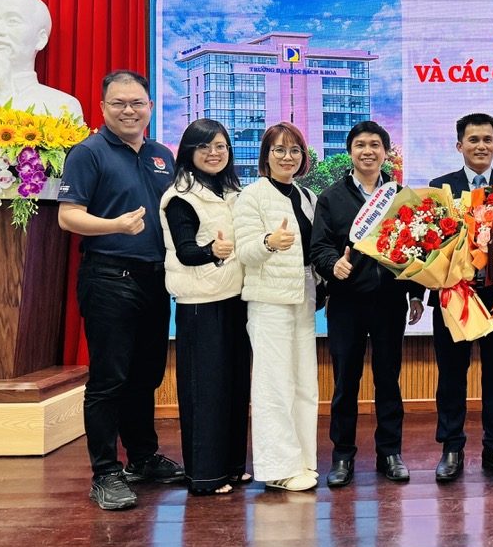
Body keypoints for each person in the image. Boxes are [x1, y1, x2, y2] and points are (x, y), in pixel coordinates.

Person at [58, 70, 183, 510]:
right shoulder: (88, 152)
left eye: (137, 103)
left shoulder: (161, 155)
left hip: (155, 280)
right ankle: (105, 472)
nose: (129, 111)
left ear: (150, 107)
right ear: (103, 107)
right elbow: (68, 216)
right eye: (119, 103)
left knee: (146, 376)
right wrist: (114, 225)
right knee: (109, 380)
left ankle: (142, 458)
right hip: (109, 278)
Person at [309, 120, 424, 488]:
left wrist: (416, 294)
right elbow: (319, 246)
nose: (368, 151)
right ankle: (342, 455)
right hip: (347, 303)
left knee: (388, 379)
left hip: (390, 302)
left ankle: (390, 453)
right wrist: (332, 264)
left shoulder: (401, 197)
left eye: (375, 144)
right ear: (350, 152)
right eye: (360, 144)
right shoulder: (331, 197)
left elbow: (418, 248)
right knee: (346, 381)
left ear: (385, 152)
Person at [427, 113, 493, 481]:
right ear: (460, 145)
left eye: (487, 140)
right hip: (455, 296)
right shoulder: (440, 188)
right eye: (473, 140)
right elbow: (429, 243)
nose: (481, 146)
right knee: (451, 376)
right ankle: (451, 449)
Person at [158, 119, 249, 496]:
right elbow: (185, 251)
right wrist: (213, 250)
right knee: (205, 392)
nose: (214, 153)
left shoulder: (232, 190)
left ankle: (232, 467)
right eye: (205, 147)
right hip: (200, 305)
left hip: (234, 300)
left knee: (235, 388)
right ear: (189, 152)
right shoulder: (180, 196)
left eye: (221, 146)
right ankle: (205, 476)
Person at [234, 122, 321, 493]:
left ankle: (303, 459)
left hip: (304, 295)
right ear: (266, 156)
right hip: (269, 299)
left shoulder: (307, 196)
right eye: (279, 150)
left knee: (305, 384)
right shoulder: (251, 196)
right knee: (274, 386)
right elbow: (244, 251)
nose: (288, 157)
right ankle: (278, 469)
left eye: (295, 150)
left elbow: (315, 249)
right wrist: (269, 242)